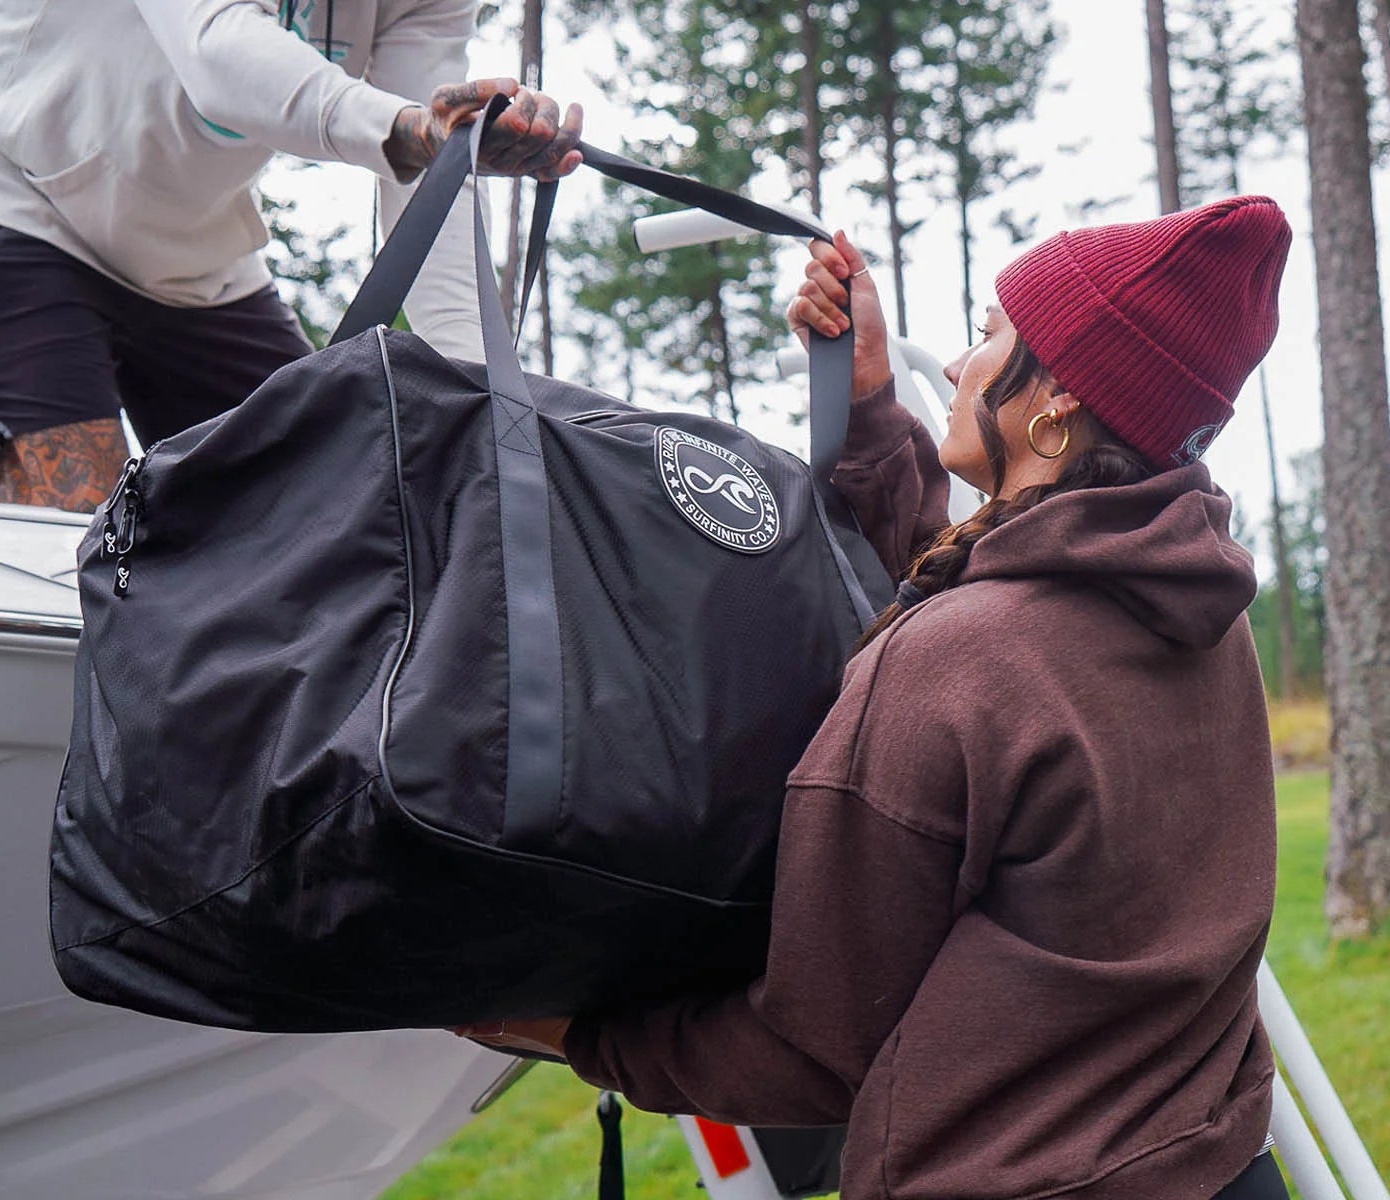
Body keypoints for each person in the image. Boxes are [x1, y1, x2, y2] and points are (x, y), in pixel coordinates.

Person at [463, 198, 1294, 1200]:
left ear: (1058, 403)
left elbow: (815, 1048)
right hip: (1224, 1168)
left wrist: (576, 1032)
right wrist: (867, 408)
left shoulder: (962, 666)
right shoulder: (1194, 613)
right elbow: (998, 603)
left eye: (991, 338)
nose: (957, 365)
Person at [0, 0, 583, 512]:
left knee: (331, 518)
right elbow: (220, 50)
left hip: (200, 261)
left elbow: (437, 171)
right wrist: (405, 130)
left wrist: (480, 398)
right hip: (21, 205)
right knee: (78, 549)